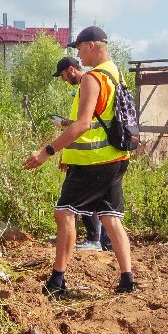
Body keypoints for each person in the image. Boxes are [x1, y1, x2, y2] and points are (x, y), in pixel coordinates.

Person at [23, 26, 135, 296]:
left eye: (79, 48)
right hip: (117, 158)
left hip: (95, 163)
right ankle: (127, 280)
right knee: (110, 217)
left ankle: (56, 282)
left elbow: (83, 124)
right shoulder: (115, 73)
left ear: (92, 46)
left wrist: (45, 152)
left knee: (64, 213)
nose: (77, 53)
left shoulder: (92, 78)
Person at [53, 54, 111, 252]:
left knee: (83, 200)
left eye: (62, 75)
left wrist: (57, 147)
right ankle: (79, 236)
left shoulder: (88, 85)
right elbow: (78, 125)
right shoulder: (83, 88)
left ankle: (94, 240)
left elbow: (83, 125)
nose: (63, 80)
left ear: (70, 70)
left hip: (89, 153)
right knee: (78, 201)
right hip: (82, 152)